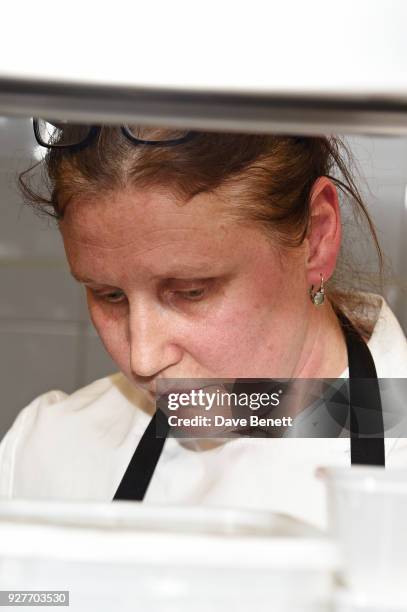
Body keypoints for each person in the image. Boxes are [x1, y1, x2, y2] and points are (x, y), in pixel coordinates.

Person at [0, 121, 406, 530]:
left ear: (317, 237)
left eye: (191, 291)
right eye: (109, 296)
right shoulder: (43, 452)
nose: (142, 360)